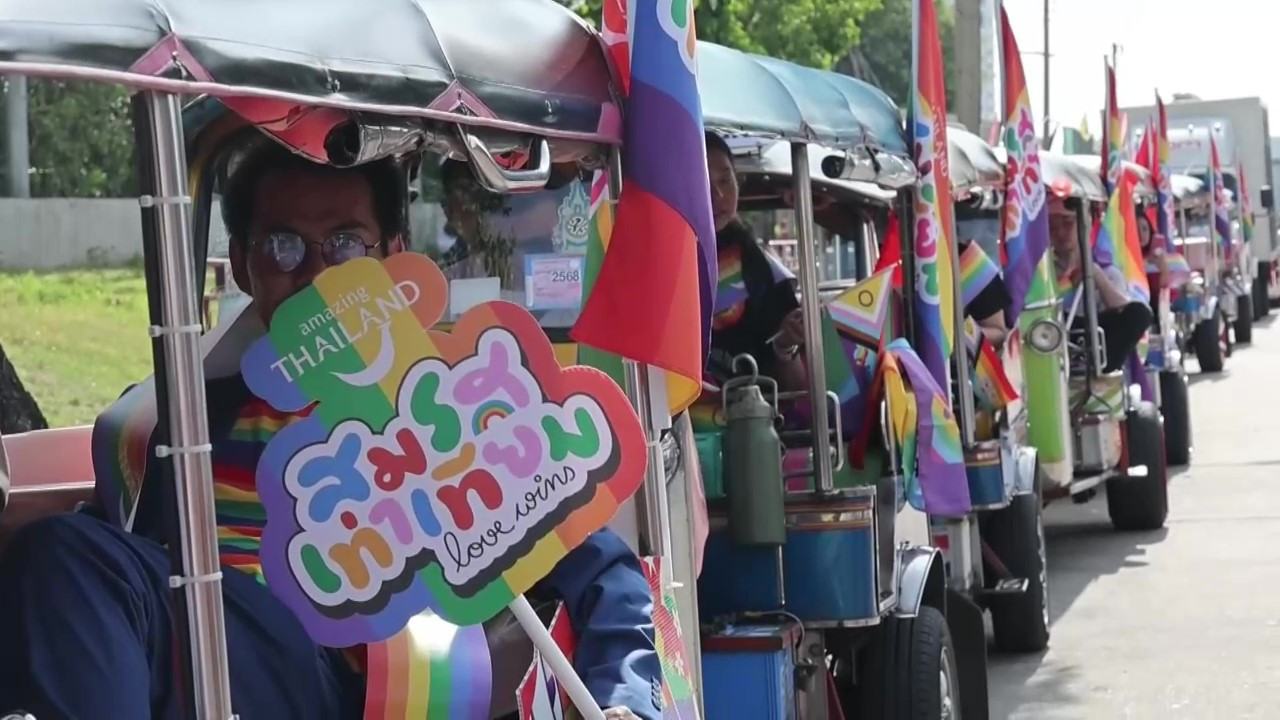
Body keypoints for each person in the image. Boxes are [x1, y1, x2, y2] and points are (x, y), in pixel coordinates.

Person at [0, 143, 658, 720]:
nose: (316, 276)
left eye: (346, 245)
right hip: (197, 657)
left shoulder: (455, 408)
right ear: (243, 266)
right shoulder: (179, 417)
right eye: (284, 247)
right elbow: (112, 573)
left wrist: (626, 698)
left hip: (375, 684)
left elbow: (604, 572)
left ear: (395, 257)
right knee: (60, 556)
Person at [705, 132, 807, 391]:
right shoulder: (660, 268)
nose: (717, 194)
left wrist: (785, 344)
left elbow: (796, 385)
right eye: (701, 182)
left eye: (726, 180)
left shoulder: (764, 271)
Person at [1049, 195, 1153, 373]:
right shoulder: (1042, 274)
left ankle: (1094, 368)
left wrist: (1095, 276)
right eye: (1052, 226)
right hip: (1052, 338)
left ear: (1085, 224)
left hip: (1093, 339)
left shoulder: (1106, 270)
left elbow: (1127, 310)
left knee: (1140, 313)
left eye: (1067, 224)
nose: (1059, 232)